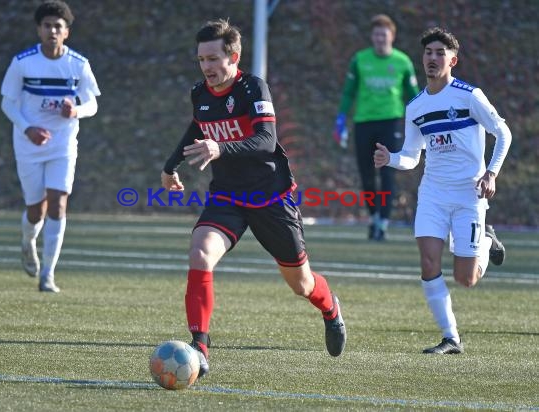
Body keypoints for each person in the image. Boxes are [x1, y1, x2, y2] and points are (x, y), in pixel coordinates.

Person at [161, 19, 347, 378]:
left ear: (234, 56)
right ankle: (200, 348)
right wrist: (171, 167)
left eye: (214, 58)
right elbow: (197, 125)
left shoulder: (252, 88)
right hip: (227, 197)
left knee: (302, 284)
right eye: (201, 60)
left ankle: (330, 308)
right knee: (200, 252)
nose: (207, 67)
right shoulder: (200, 94)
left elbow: (265, 140)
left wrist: (220, 147)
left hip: (270, 197)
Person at [374, 27, 511, 354]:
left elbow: (503, 133)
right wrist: (390, 158)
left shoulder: (468, 96)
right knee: (428, 262)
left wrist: (491, 173)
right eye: (428, 53)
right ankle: (451, 338)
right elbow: (411, 157)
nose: (432, 59)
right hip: (433, 194)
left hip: (468, 195)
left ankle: (487, 239)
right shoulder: (416, 107)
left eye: (439, 53)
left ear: (453, 59)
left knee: (466, 278)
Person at [0, 1, 101, 293]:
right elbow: (7, 103)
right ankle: (28, 241)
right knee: (36, 210)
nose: (52, 31)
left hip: (63, 144)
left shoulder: (78, 64)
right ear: (39, 29)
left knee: (58, 203)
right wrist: (28, 128)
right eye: (47, 26)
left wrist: (76, 111)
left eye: (58, 26)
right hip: (28, 144)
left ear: (66, 32)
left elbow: (92, 103)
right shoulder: (23, 62)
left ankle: (48, 275)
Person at [334, 14, 419, 241]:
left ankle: (383, 222)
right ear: (372, 37)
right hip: (363, 122)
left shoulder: (403, 62)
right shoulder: (360, 60)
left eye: (384, 34)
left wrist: (424, 118)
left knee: (388, 172)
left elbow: (414, 96)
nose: (380, 38)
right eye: (376, 34)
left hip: (390, 122)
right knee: (367, 174)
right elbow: (349, 92)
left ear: (392, 36)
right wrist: (341, 117)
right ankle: (373, 217)